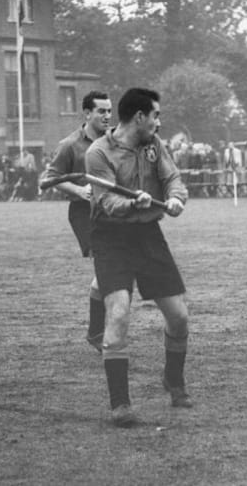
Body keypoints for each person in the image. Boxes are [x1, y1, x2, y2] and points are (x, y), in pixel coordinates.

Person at [85, 88, 190, 427]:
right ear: (139, 117)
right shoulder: (98, 153)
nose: (159, 122)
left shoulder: (153, 146)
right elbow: (107, 202)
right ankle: (120, 405)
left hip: (147, 235)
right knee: (118, 316)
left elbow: (172, 178)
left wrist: (174, 199)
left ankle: (173, 380)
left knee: (179, 318)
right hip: (111, 237)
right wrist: (133, 202)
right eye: (156, 115)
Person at [40, 90, 112, 351]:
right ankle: (98, 333)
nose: (107, 116)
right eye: (101, 111)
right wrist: (80, 190)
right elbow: (46, 180)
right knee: (108, 268)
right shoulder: (70, 145)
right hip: (85, 214)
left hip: (112, 210)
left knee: (111, 271)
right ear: (87, 114)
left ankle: (97, 333)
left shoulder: (114, 141)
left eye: (109, 111)